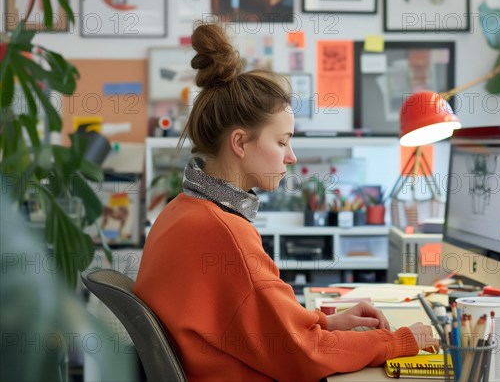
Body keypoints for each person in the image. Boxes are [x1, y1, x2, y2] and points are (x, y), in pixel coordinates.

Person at [134, 22, 438, 382]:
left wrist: (325, 321)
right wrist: (400, 340)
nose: (291, 157)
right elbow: (305, 356)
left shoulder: (180, 211)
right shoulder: (223, 232)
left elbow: (257, 325)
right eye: (282, 142)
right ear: (240, 143)